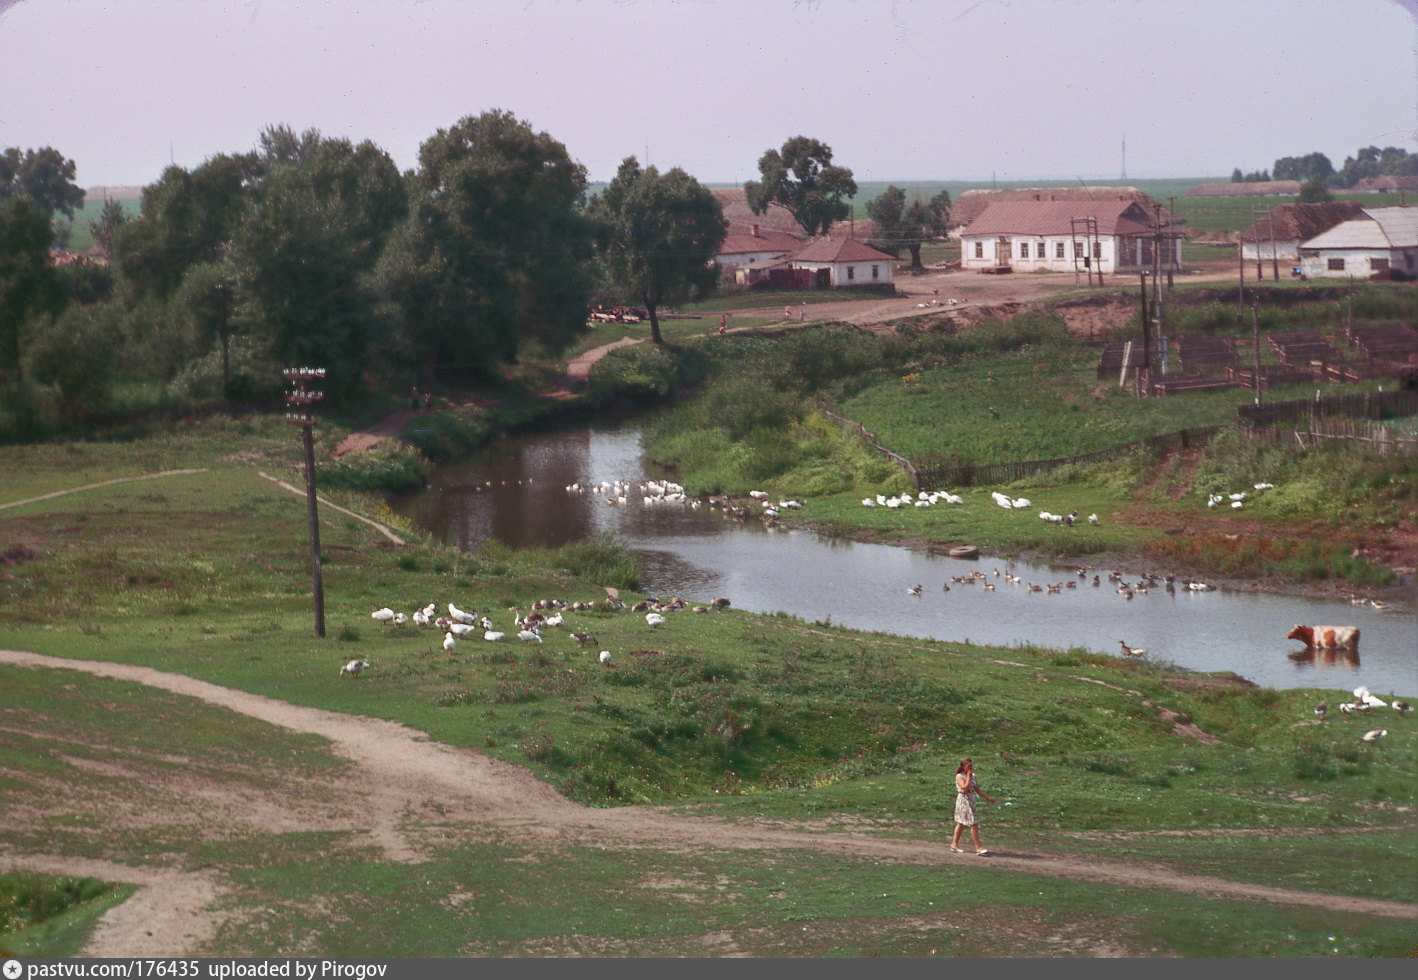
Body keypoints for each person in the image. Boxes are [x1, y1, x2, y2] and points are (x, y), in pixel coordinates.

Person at [950, 757, 996, 855]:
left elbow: (977, 789)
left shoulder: (973, 776)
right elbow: (964, 787)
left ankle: (954, 844)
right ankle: (978, 847)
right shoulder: (959, 776)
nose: (971, 768)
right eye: (968, 766)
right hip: (963, 800)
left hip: (971, 800)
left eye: (971, 766)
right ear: (963, 767)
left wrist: (988, 798)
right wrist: (968, 777)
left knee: (961, 823)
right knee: (973, 823)